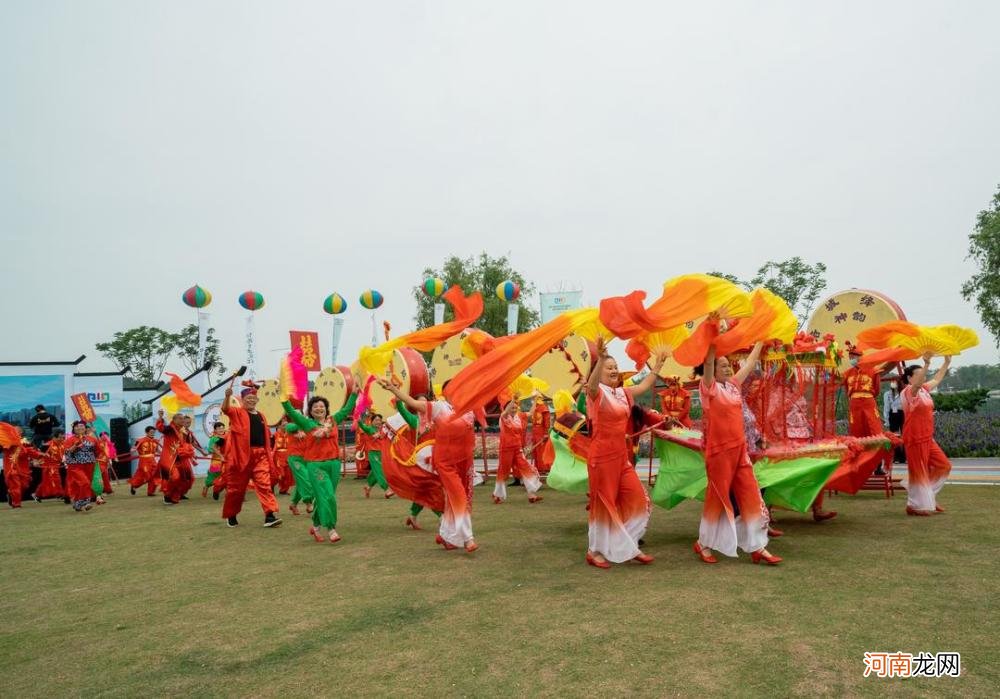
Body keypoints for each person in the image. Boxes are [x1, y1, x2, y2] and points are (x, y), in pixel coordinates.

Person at [693, 340, 782, 566]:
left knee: (751, 495)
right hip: (719, 452)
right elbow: (709, 360)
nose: (727, 368)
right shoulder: (708, 388)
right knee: (718, 498)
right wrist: (712, 341)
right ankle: (703, 543)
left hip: (740, 450)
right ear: (710, 369)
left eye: (728, 365)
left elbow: (751, 362)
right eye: (721, 365)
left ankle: (757, 546)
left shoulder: (733, 385)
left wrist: (760, 341)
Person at [582, 338, 662, 569]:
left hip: (621, 458)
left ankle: (625, 544)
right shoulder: (595, 393)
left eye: (615, 367)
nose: (614, 370)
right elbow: (594, 385)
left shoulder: (623, 393)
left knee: (639, 499)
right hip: (601, 457)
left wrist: (657, 366)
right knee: (603, 504)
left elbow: (645, 385)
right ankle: (594, 550)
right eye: (609, 367)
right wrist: (599, 361)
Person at [380, 378, 481, 553]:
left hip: (465, 462)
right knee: (458, 497)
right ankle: (468, 539)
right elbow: (410, 402)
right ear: (446, 392)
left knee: (454, 499)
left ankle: (446, 535)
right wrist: (394, 390)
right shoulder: (439, 408)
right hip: (445, 463)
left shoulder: (469, 409)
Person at [282, 392, 357, 542]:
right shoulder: (306, 423)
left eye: (322, 406)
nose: (319, 408)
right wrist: (283, 398)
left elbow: (347, 408)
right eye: (315, 406)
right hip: (316, 466)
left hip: (334, 465)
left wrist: (354, 393)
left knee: (324, 498)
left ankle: (315, 527)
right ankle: (331, 529)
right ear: (310, 410)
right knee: (328, 496)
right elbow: (290, 412)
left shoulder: (333, 421)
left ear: (326, 409)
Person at [221, 382, 282, 528]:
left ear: (257, 400)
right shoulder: (237, 412)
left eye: (253, 398)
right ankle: (231, 514)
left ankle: (270, 515)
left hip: (260, 456)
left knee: (264, 485)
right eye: (248, 398)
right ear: (243, 400)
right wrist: (227, 396)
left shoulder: (261, 416)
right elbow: (225, 409)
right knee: (236, 489)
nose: (251, 400)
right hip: (241, 456)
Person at [901, 354, 952, 516]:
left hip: (927, 437)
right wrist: (927, 363)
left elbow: (937, 378)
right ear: (909, 378)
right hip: (914, 437)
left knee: (944, 465)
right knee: (918, 471)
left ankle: (928, 497)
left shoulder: (924, 389)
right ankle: (914, 506)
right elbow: (917, 384)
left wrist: (946, 362)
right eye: (919, 374)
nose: (922, 377)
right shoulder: (909, 391)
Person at [493, 399, 543, 504]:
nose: (514, 409)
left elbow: (530, 413)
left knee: (526, 469)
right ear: (507, 408)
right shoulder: (504, 416)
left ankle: (531, 495)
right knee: (503, 472)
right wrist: (513, 399)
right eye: (512, 407)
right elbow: (506, 412)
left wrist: (535, 400)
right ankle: (498, 495)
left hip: (517, 448)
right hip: (506, 448)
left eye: (515, 408)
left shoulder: (519, 416)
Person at [156, 410, 205, 505]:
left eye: (183, 419)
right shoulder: (170, 429)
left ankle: (178, 494)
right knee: (175, 477)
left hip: (182, 459)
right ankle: (167, 496)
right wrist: (160, 417)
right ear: (174, 420)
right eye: (180, 418)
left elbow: (188, 444)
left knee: (188, 478)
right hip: (170, 458)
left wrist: (191, 453)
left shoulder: (184, 431)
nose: (182, 420)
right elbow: (160, 428)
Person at [842, 346, 883, 438]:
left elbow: (877, 389)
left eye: (853, 357)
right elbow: (846, 389)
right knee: (856, 425)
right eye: (850, 358)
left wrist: (867, 395)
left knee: (873, 424)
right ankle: (858, 448)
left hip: (868, 401)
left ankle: (877, 449)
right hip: (854, 403)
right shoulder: (847, 373)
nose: (851, 360)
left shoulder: (873, 370)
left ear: (861, 357)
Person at [63, 421, 99, 512]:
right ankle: (86, 502)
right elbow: (67, 452)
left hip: (89, 464)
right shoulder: (69, 440)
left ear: (85, 429)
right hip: (75, 465)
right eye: (77, 427)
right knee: (84, 482)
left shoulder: (92, 439)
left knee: (84, 484)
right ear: (74, 429)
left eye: (82, 426)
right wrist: (75, 445)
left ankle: (78, 503)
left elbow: (97, 451)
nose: (80, 428)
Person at [358, 414, 395, 499]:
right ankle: (386, 490)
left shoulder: (383, 430)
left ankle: (368, 486)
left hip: (382, 453)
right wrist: (358, 417)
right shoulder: (369, 428)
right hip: (373, 453)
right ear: (372, 421)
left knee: (375, 471)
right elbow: (361, 425)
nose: (378, 422)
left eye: (379, 420)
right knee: (380, 470)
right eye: (376, 420)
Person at [33, 432, 66, 502]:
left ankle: (36, 494)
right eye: (60, 437)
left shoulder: (63, 444)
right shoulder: (47, 445)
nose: (61, 439)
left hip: (57, 465)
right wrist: (35, 461)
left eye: (63, 437)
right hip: (48, 465)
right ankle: (60, 494)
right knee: (56, 478)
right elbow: (37, 453)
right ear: (54, 437)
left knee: (46, 481)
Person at [129, 426, 161, 496]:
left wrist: (162, 454)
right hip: (144, 461)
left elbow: (157, 450)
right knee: (147, 475)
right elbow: (134, 448)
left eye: (154, 432)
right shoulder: (140, 440)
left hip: (153, 461)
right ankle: (134, 485)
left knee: (155, 475)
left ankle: (151, 492)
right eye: (151, 432)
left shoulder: (156, 441)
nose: (153, 434)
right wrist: (133, 450)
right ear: (146, 432)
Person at [528, 396, 553, 473]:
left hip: (541, 431)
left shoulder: (543, 408)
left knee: (541, 450)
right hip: (535, 431)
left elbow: (547, 422)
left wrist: (545, 433)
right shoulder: (535, 408)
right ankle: (539, 467)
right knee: (536, 450)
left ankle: (544, 467)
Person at [202, 422, 227, 498]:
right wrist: (218, 452)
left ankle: (228, 492)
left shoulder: (226, 437)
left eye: (222, 428)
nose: (221, 430)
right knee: (213, 476)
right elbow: (210, 449)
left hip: (225, 460)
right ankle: (206, 486)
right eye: (219, 428)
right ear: (215, 430)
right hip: (216, 461)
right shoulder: (213, 438)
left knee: (226, 475)